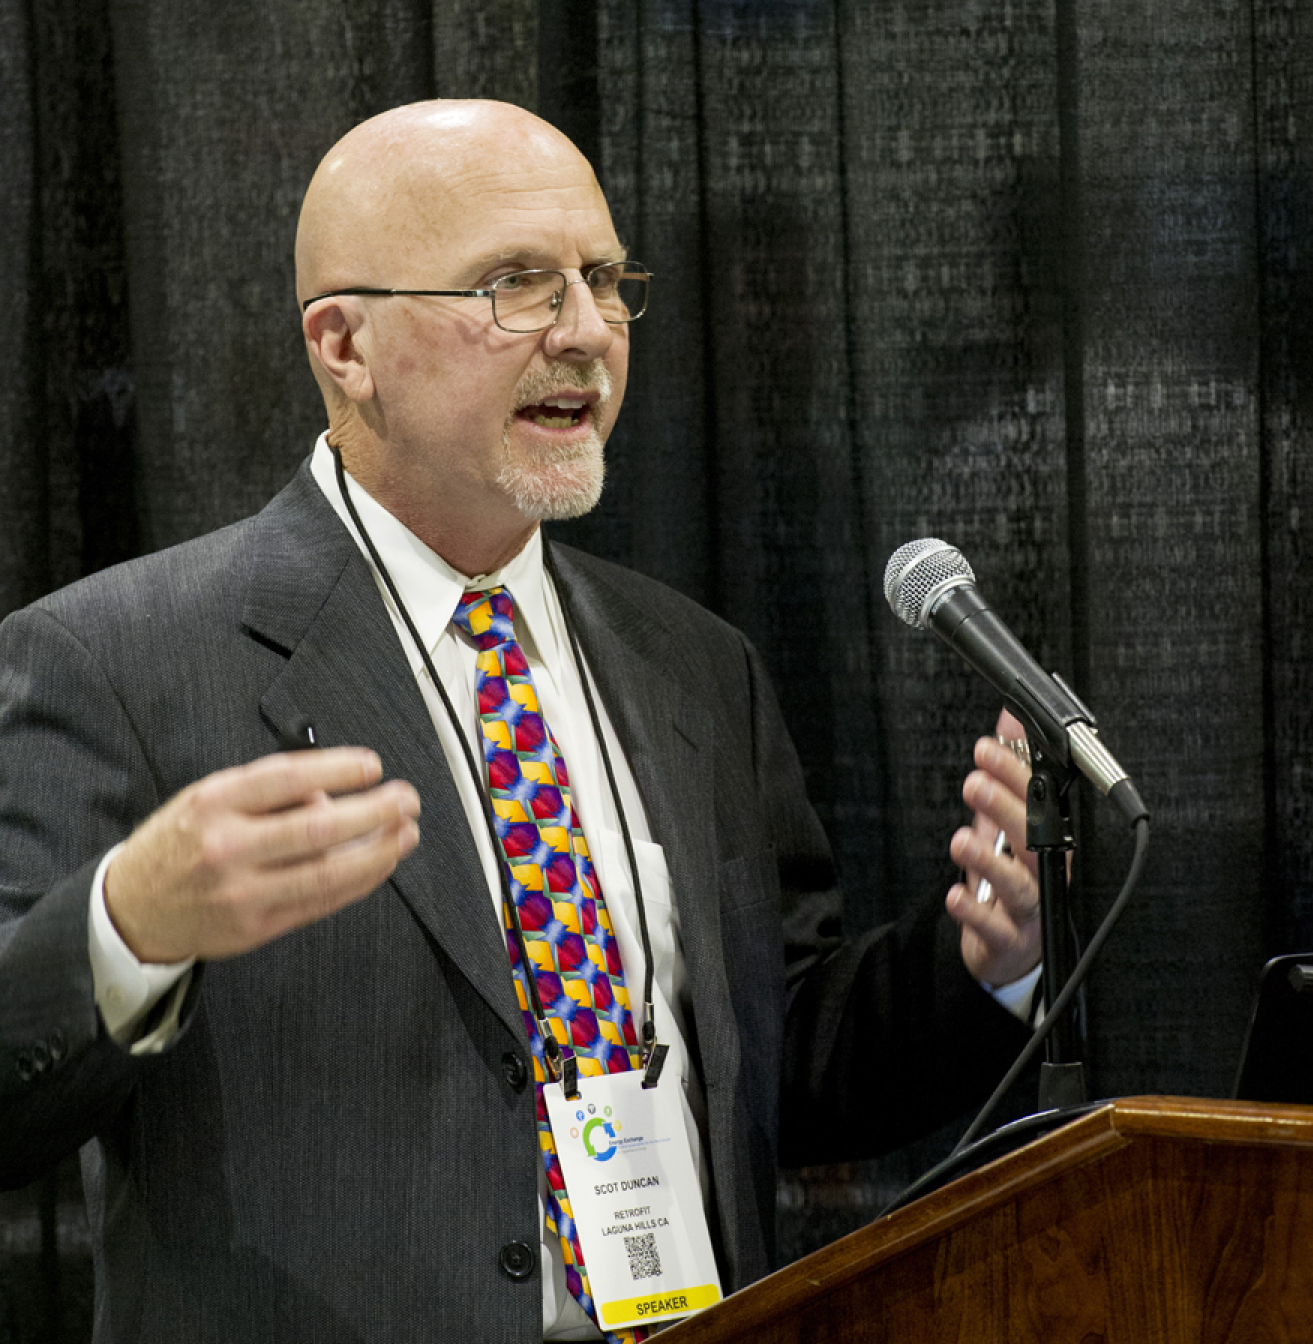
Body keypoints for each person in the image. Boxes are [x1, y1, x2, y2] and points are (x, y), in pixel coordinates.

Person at [0, 100, 1040, 1343]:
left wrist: (988, 964)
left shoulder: (693, 664)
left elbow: (779, 1060)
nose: (590, 334)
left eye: (603, 280)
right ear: (345, 345)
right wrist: (128, 927)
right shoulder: (119, 658)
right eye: (516, 286)